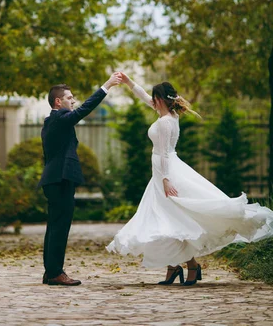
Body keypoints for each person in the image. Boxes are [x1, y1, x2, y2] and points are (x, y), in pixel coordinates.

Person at [107, 74, 273, 286]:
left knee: (174, 219)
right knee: (167, 220)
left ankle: (188, 266)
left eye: (154, 98)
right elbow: (143, 97)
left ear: (161, 100)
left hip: (167, 173)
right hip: (160, 174)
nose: (152, 101)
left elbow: (166, 153)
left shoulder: (167, 121)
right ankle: (175, 266)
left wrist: (166, 179)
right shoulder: (168, 114)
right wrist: (130, 83)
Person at [40, 72, 122, 286]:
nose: (73, 100)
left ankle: (50, 271)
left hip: (53, 179)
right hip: (60, 179)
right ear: (58, 101)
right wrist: (106, 86)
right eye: (69, 97)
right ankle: (55, 272)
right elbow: (85, 109)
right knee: (60, 227)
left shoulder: (50, 121)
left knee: (54, 226)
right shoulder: (60, 118)